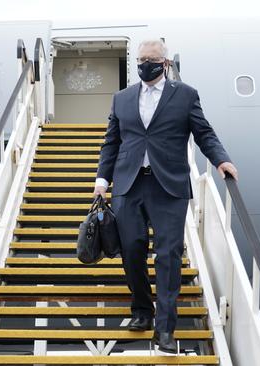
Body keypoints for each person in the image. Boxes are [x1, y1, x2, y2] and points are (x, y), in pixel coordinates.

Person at [93, 39, 238, 354]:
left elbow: (204, 133)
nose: (146, 64)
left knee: (168, 255)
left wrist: (220, 159)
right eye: (142, 59)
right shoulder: (122, 98)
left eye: (152, 59)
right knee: (131, 251)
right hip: (129, 185)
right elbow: (112, 142)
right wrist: (102, 179)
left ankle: (165, 330)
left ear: (165, 63)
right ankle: (142, 310)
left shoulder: (184, 96)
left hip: (168, 187)